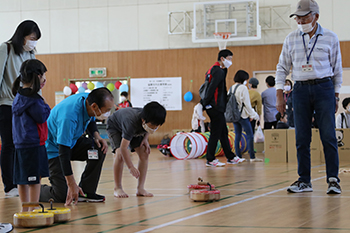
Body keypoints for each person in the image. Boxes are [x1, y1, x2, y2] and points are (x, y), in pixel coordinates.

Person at [276, 0, 342, 194]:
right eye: (298, 18)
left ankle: (333, 180)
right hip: (300, 90)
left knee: (328, 135)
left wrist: (336, 95)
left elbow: (337, 69)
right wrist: (280, 94)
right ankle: (304, 180)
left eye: (305, 17)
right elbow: (282, 68)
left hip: (324, 88)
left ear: (316, 17)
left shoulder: (331, 37)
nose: (300, 21)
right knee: (301, 137)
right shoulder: (291, 38)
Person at [40, 88, 114, 205]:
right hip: (53, 149)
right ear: (94, 106)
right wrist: (71, 184)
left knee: (98, 149)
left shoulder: (88, 99)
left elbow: (91, 119)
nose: (108, 113)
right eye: (107, 110)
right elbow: (63, 152)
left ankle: (86, 192)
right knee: (63, 195)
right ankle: (33, 189)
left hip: (72, 142)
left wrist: (96, 135)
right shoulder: (69, 117)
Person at [0, 20, 40, 197]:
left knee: (21, 145)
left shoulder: (30, 54)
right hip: (7, 104)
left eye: (36, 39)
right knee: (8, 144)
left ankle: (20, 181)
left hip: (25, 105)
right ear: (21, 36)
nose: (33, 42)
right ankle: (9, 185)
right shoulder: (6, 49)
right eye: (31, 38)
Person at [12, 59, 50, 211]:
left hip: (20, 144)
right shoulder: (34, 100)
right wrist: (46, 104)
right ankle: (33, 209)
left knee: (22, 179)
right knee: (35, 179)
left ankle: (24, 209)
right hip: (34, 144)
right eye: (43, 75)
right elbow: (42, 116)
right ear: (38, 76)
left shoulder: (18, 97)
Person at [107, 101, 166, 198]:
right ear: (143, 120)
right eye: (153, 125)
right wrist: (130, 167)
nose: (155, 128)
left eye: (157, 126)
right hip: (116, 127)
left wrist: (145, 139)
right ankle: (117, 188)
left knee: (144, 153)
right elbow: (123, 148)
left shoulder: (149, 119)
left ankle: (140, 188)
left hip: (134, 130)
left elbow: (148, 129)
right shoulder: (131, 122)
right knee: (119, 154)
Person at [200, 49, 245, 167]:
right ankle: (210, 159)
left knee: (223, 132)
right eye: (229, 59)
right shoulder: (218, 71)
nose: (230, 61)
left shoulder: (214, 70)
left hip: (216, 106)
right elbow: (211, 88)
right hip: (215, 106)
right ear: (222, 59)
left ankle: (230, 157)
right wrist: (203, 103)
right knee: (215, 132)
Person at [230, 70, 262, 162]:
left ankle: (238, 156)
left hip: (234, 115)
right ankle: (252, 156)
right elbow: (247, 104)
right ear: (243, 79)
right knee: (250, 135)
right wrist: (255, 115)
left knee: (237, 135)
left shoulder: (231, 88)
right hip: (243, 115)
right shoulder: (243, 88)